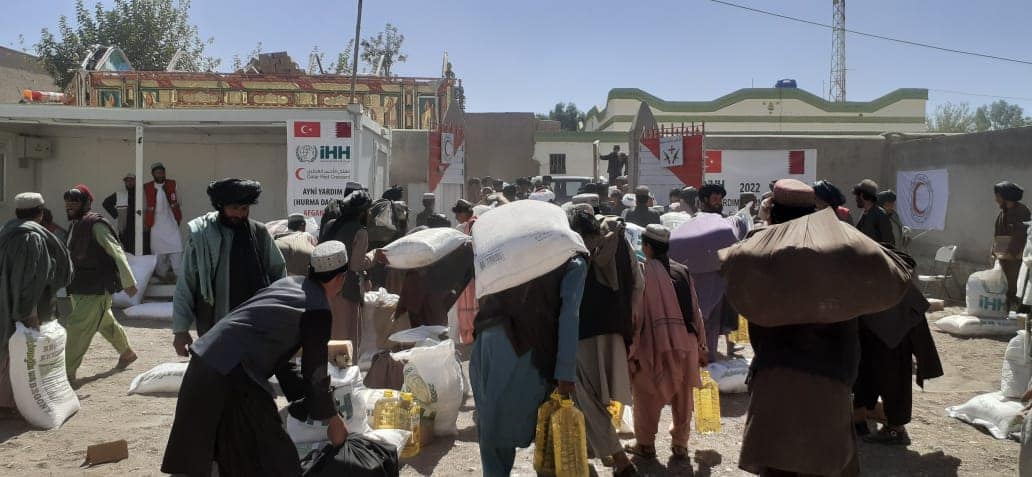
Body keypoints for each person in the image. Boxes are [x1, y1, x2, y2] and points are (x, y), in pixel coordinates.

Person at [162, 241, 351, 476]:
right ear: (340, 278)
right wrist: (332, 419)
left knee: (223, 458)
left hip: (204, 363)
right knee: (276, 461)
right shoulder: (318, 308)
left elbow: (283, 361)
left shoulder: (287, 284)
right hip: (235, 377)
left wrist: (304, 401)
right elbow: (315, 372)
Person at [739, 179, 860, 476]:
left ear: (773, 211)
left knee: (778, 464)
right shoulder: (841, 250)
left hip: (776, 376)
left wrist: (766, 221)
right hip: (832, 378)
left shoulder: (760, 251)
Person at [470, 248, 587, 476]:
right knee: (548, 436)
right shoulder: (572, 260)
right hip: (523, 349)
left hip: (486, 337)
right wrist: (565, 374)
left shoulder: (509, 248)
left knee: (493, 429)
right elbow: (569, 315)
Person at [172, 179, 285, 356]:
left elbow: (279, 275)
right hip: (215, 322)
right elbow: (187, 282)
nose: (239, 214)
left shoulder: (260, 233)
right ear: (220, 206)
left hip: (255, 323)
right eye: (233, 208)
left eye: (244, 209)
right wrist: (180, 330)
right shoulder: (202, 235)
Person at [625, 224, 708, 462]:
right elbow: (695, 310)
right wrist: (702, 346)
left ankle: (645, 445)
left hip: (654, 345)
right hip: (687, 344)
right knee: (683, 397)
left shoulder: (643, 273)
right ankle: (680, 445)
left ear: (647, 247)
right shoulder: (683, 271)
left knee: (645, 395)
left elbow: (637, 314)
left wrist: (631, 347)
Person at [568, 210, 639, 476]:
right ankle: (598, 448)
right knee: (602, 396)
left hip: (584, 333)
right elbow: (638, 284)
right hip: (617, 330)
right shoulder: (621, 243)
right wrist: (629, 324)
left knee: (587, 397)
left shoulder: (572, 251)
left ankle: (621, 460)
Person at [853, 261, 943, 446]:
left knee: (891, 379)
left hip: (892, 325)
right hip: (891, 321)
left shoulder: (860, 271)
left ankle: (894, 430)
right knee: (872, 374)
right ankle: (863, 422)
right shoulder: (885, 268)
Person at [0, 193, 72, 414]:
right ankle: (6, 402)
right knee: (16, 351)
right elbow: (29, 279)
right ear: (40, 213)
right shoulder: (32, 238)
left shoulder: (6, 232)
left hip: (4, 300)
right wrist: (29, 312)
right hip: (24, 306)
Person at [62, 185, 139, 381]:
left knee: (77, 328)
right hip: (80, 286)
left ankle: (66, 374)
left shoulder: (95, 225)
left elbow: (116, 252)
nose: (70, 204)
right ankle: (127, 353)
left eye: (75, 200)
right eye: (68, 200)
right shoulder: (76, 224)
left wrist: (128, 281)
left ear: (86, 203)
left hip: (94, 288)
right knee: (105, 322)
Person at [994, 181, 1032, 311]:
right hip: (1003, 258)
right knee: (1004, 289)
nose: (996, 199)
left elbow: (1021, 235)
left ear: (1007, 196)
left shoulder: (1022, 211)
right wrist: (993, 251)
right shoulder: (1003, 212)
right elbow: (997, 234)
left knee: (1016, 289)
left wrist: (1012, 253)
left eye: (998, 196)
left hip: (1017, 260)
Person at [145, 162, 184, 282]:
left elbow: (179, 200)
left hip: (171, 222)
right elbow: (144, 205)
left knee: (177, 248)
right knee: (159, 253)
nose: (160, 174)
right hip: (156, 224)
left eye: (162, 172)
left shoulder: (172, 184)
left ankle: (179, 277)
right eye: (157, 172)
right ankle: (162, 277)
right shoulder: (147, 187)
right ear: (153, 174)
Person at [102, 172, 137, 253]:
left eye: (131, 180)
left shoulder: (142, 194)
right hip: (125, 229)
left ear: (135, 181)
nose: (129, 182)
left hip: (140, 228)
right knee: (126, 251)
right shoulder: (120, 195)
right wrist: (117, 214)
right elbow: (106, 203)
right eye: (127, 181)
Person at [854, 179, 893, 244]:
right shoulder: (865, 213)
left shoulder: (880, 215)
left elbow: (888, 242)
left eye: (857, 196)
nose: (856, 199)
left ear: (862, 195)